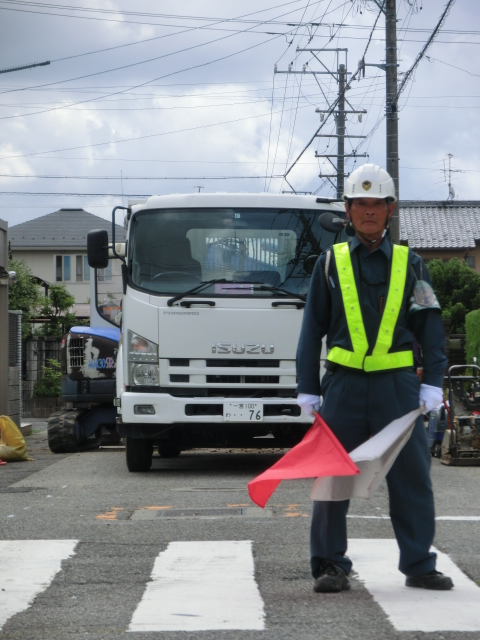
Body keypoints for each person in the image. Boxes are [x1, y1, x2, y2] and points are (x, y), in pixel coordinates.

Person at [296, 164, 453, 593]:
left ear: (390, 209)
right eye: (360, 204)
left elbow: (431, 330)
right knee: (332, 476)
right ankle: (330, 564)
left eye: (377, 204)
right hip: (343, 386)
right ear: (347, 210)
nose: (369, 212)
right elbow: (312, 330)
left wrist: (433, 381)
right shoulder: (329, 264)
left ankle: (419, 564)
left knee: (412, 477)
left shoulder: (413, 264)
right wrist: (307, 388)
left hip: (398, 389)